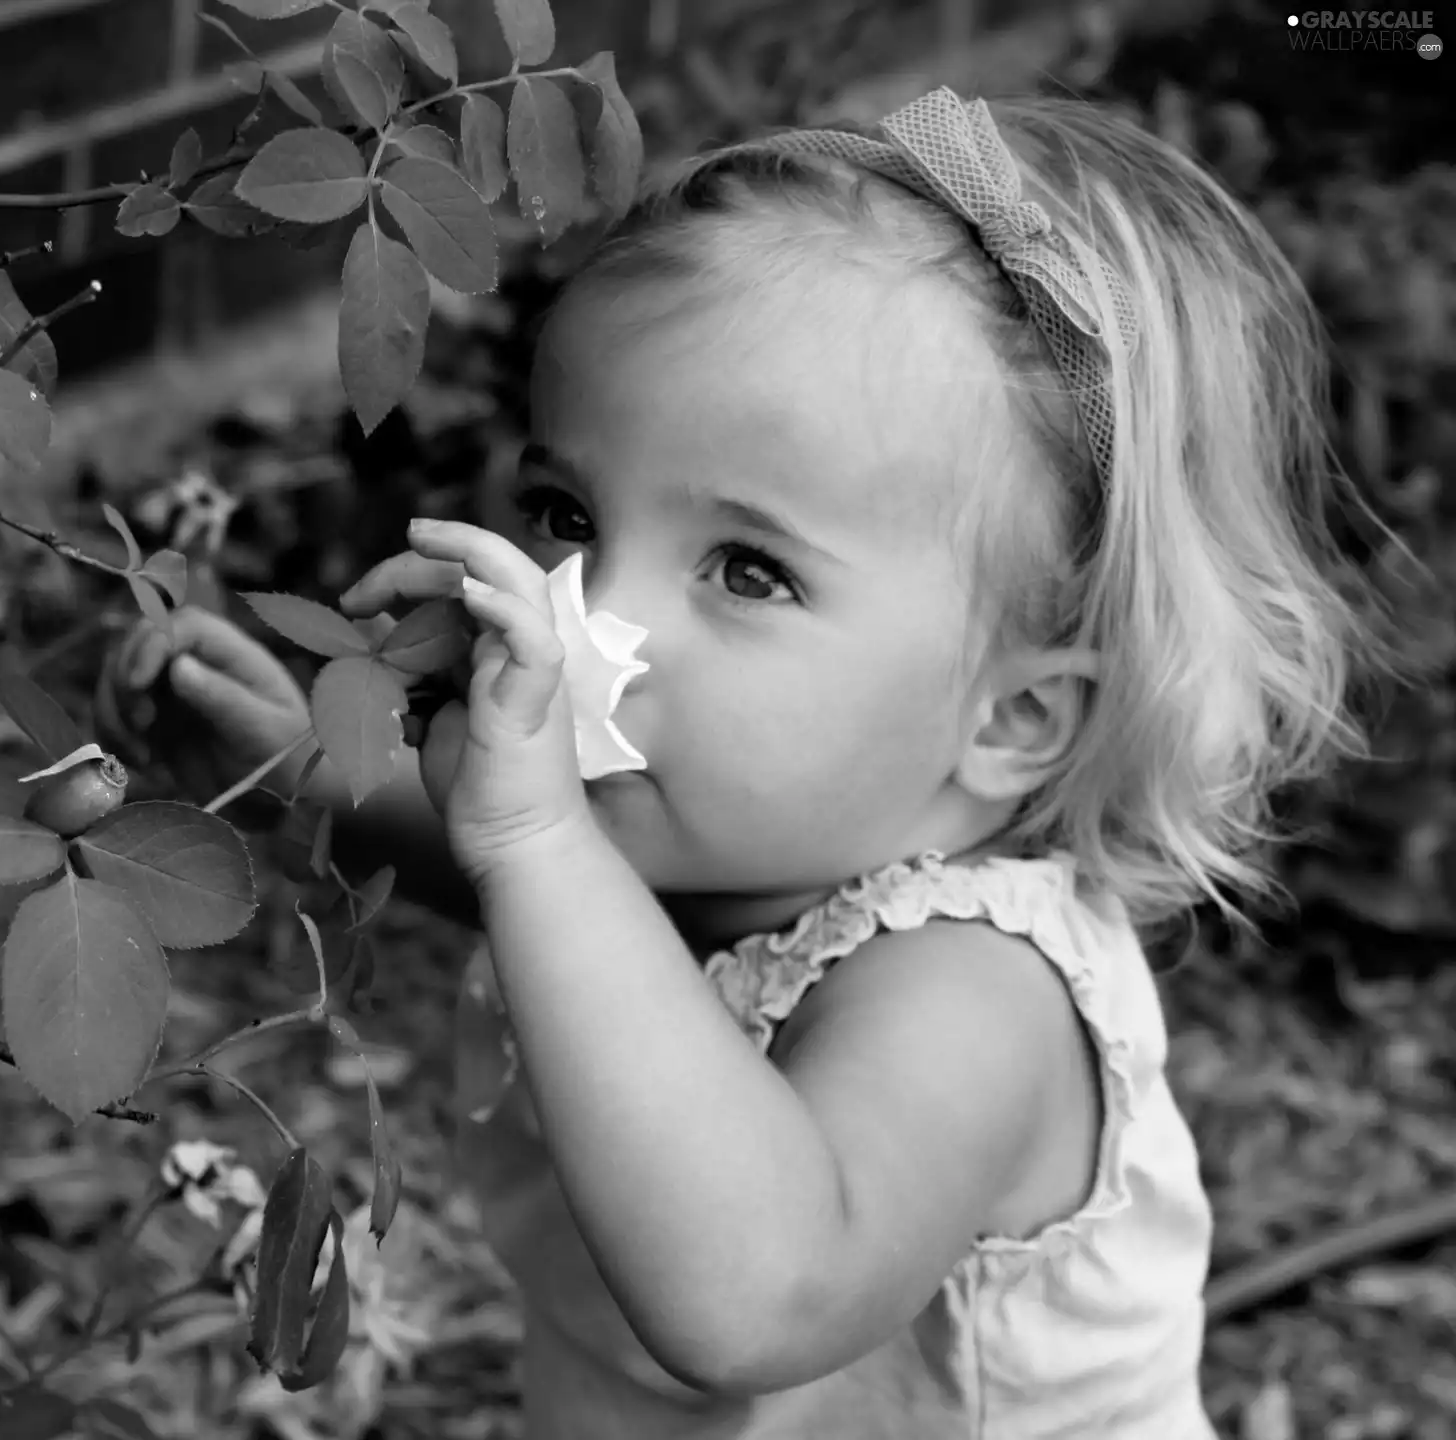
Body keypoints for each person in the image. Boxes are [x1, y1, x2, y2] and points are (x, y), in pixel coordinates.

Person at [99, 87, 1407, 1438]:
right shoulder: (717, 832)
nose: (590, 614)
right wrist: (306, 773)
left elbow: (754, 1302)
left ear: (1010, 720)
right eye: (566, 515)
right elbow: (525, 897)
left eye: (746, 570)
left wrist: (537, 842)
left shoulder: (978, 996)